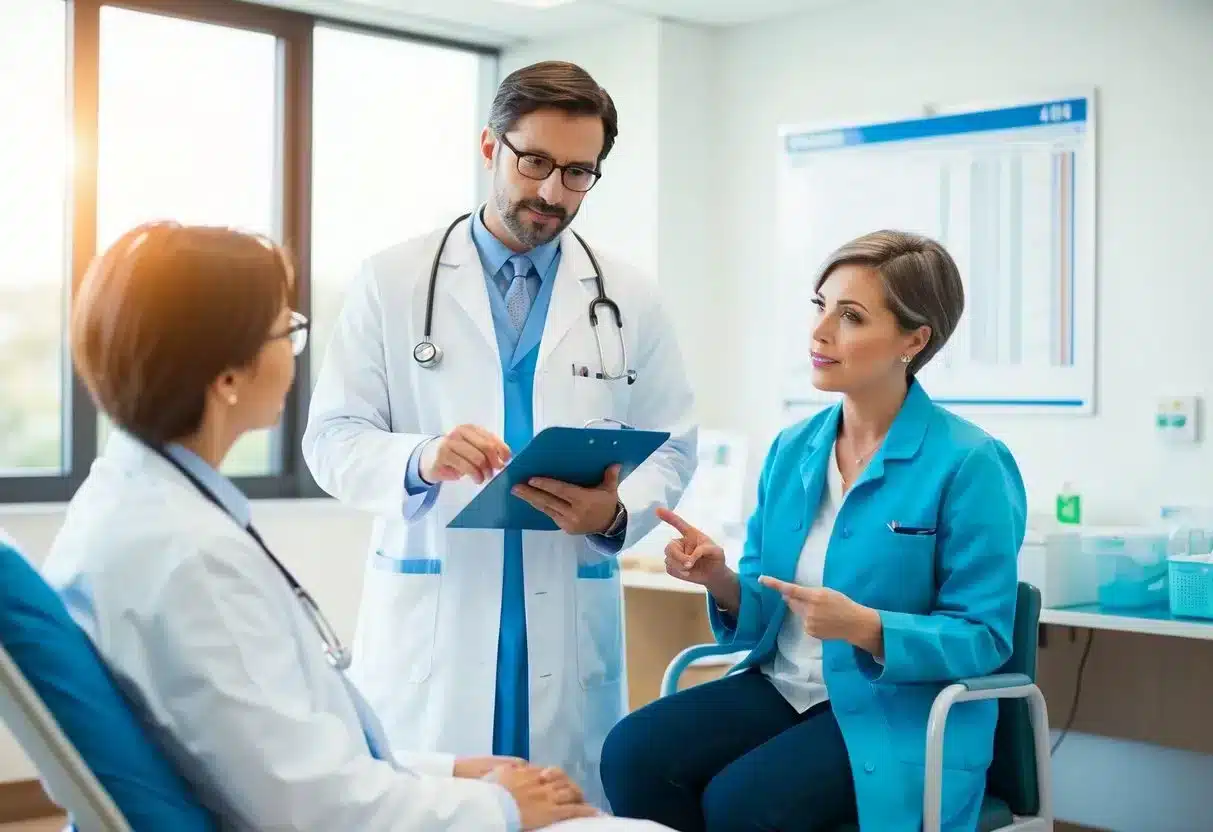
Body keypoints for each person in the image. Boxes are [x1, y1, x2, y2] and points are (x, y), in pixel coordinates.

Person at [39, 222, 604, 830]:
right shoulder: (188, 557)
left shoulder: (133, 505)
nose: (295, 345)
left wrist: (449, 772)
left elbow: (268, 758)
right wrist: (498, 806)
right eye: (287, 329)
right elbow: (307, 804)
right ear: (227, 378)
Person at [303, 60, 698, 808]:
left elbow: (673, 442)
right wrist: (419, 458)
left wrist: (614, 514)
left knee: (562, 807)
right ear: (490, 148)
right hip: (437, 604)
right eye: (536, 162)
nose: (552, 193)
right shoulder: (392, 280)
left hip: (563, 595)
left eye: (578, 173)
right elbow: (331, 438)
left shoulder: (629, 297)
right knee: (441, 808)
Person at [598, 230, 1027, 832]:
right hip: (784, 689)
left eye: (850, 316)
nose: (821, 332)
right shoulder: (793, 450)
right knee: (631, 754)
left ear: (915, 338)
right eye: (820, 306)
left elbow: (983, 637)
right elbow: (766, 610)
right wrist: (720, 578)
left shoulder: (970, 463)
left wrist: (868, 628)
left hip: (896, 711)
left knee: (741, 803)